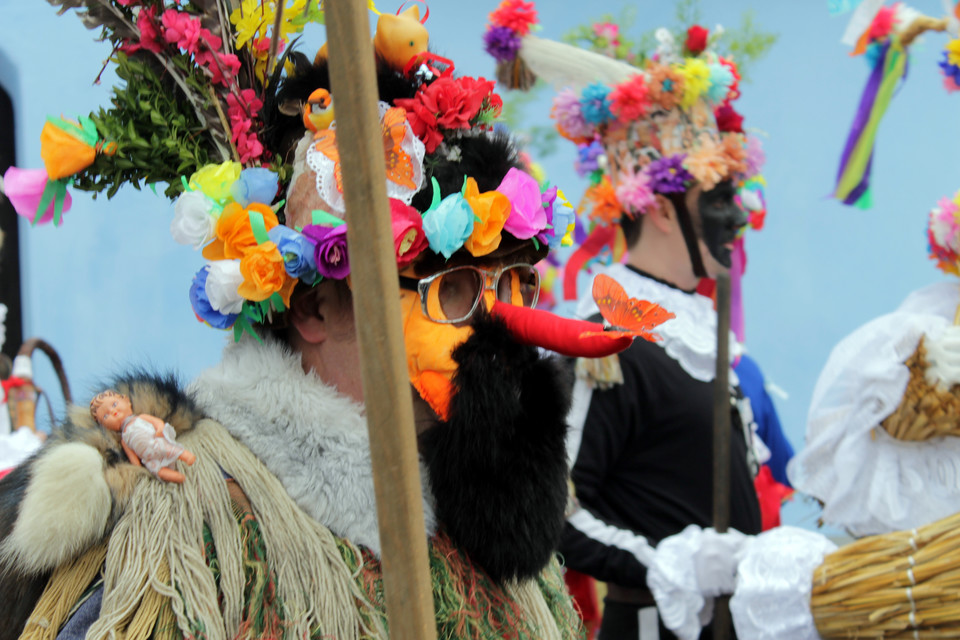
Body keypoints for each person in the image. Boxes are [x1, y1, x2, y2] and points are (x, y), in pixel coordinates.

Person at [0, 3, 639, 638]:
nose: (503, 330)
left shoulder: (480, 518)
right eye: (456, 291)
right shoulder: (193, 516)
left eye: (519, 286)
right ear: (312, 308)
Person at [487, 13, 767, 639]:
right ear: (664, 212)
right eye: (720, 199)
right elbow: (552, 509)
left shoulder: (697, 339)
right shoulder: (606, 343)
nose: (740, 217)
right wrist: (666, 562)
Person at [90, 389, 196, 483]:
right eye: (106, 415)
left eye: (114, 404)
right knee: (157, 471)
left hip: (156, 442)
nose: (113, 411)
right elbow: (132, 456)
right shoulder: (124, 440)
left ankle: (187, 456)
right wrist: (137, 466)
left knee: (171, 449)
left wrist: (160, 428)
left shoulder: (140, 418)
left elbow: (157, 422)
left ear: (127, 401)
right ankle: (177, 477)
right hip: (148, 459)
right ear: (105, 426)